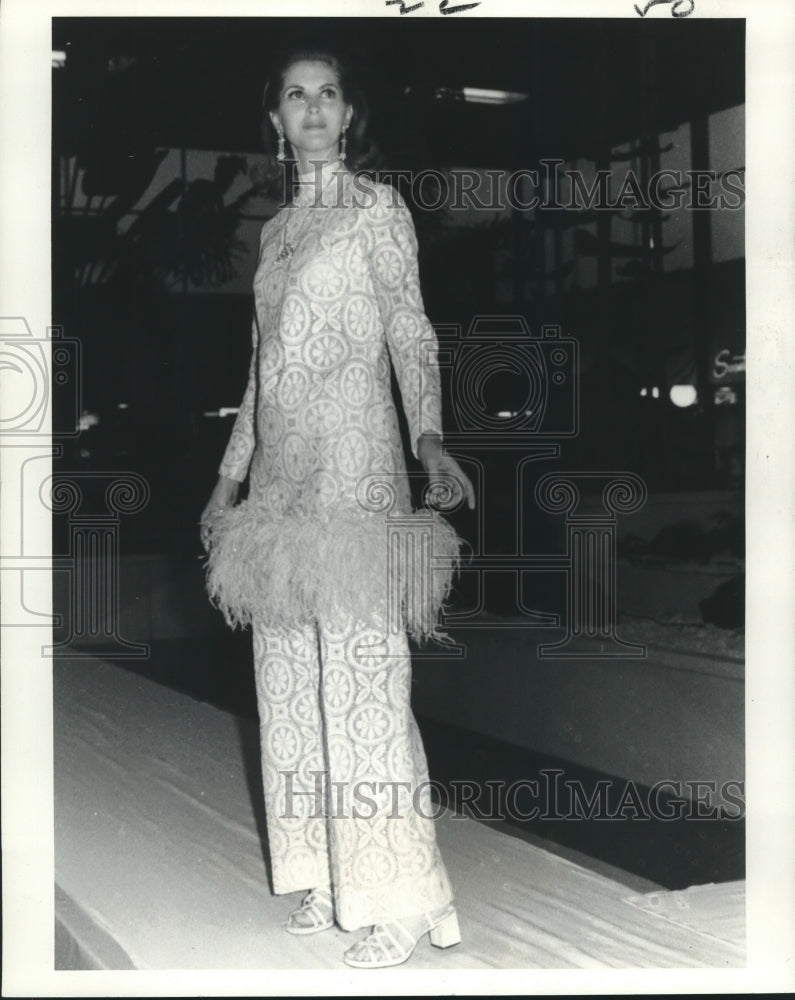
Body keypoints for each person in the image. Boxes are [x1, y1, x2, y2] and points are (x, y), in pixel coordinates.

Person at [201, 45, 475, 969]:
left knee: (364, 686)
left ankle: (401, 898)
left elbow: (410, 324)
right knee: (287, 688)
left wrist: (428, 435)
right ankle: (325, 870)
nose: (312, 110)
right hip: (281, 485)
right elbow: (259, 371)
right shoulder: (276, 234)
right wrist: (228, 478)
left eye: (328, 95)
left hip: (357, 471)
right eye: (294, 95)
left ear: (348, 116)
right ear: (272, 119)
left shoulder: (376, 209)